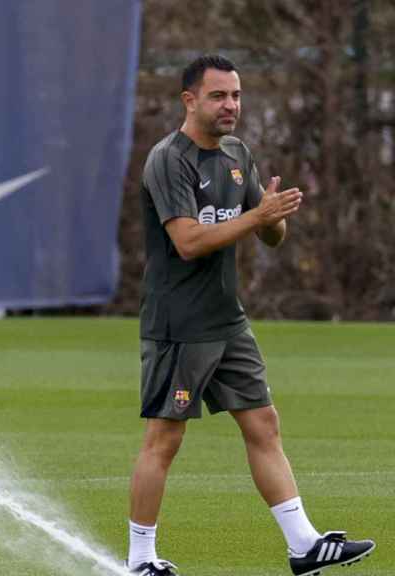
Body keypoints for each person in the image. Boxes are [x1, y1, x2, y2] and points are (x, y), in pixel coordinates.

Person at [126, 54, 376, 576]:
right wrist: (255, 216)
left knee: (263, 423)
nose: (231, 106)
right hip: (179, 324)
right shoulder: (168, 160)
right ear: (189, 100)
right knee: (165, 439)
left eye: (236, 95)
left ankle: (303, 545)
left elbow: (269, 236)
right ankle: (140, 560)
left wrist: (272, 216)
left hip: (226, 320)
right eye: (218, 96)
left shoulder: (238, 153)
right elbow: (189, 241)